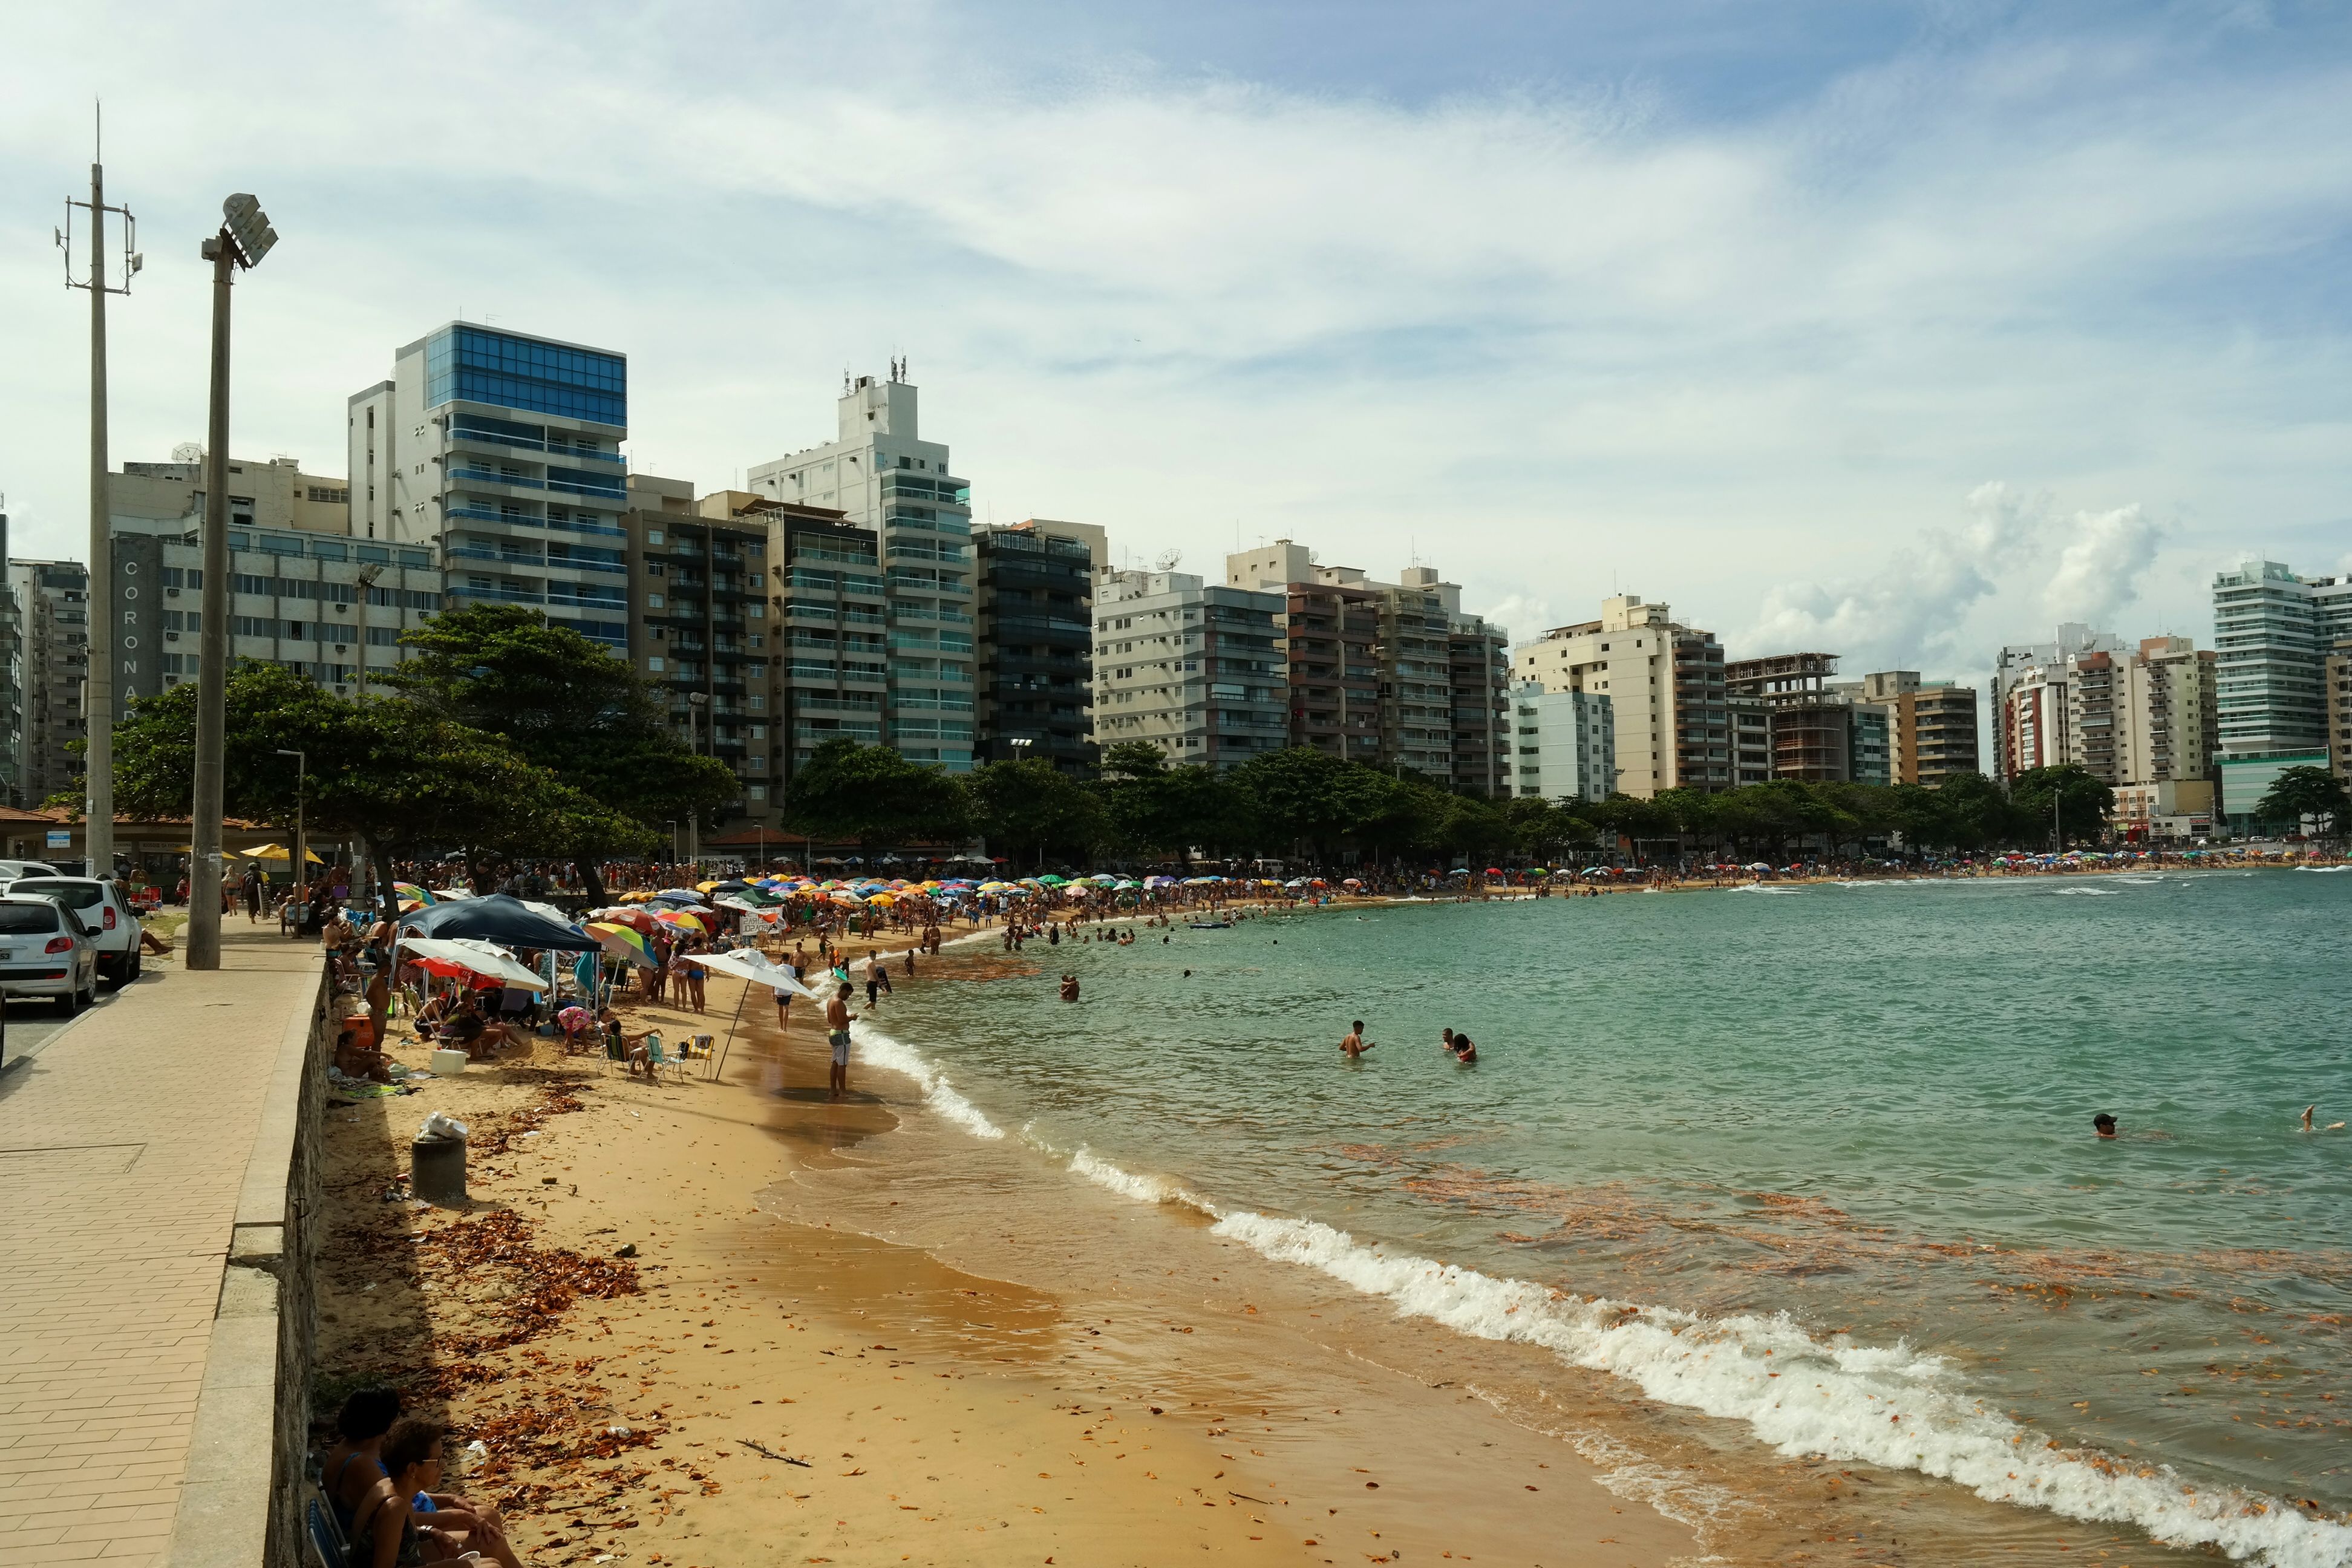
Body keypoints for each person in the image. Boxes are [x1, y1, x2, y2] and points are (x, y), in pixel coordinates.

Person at [825, 982, 858, 1102]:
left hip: (833, 1032)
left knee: (835, 1062)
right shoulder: (838, 1002)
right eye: (848, 995)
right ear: (844, 990)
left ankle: (833, 1089)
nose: (848, 997)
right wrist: (852, 1017)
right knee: (842, 1064)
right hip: (841, 1035)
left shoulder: (830, 1000)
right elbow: (842, 1019)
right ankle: (843, 1091)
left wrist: (846, 1017)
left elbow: (830, 1019)